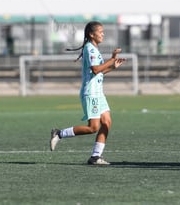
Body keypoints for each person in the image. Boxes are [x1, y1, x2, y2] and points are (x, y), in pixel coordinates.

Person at [49, 21, 126, 165]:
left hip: (98, 93)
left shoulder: (94, 49)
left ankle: (95, 157)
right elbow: (96, 69)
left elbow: (99, 72)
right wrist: (112, 59)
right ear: (92, 34)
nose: (103, 34)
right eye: (100, 31)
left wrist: (113, 67)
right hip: (91, 93)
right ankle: (59, 133)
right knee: (94, 127)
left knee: (107, 123)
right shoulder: (90, 48)